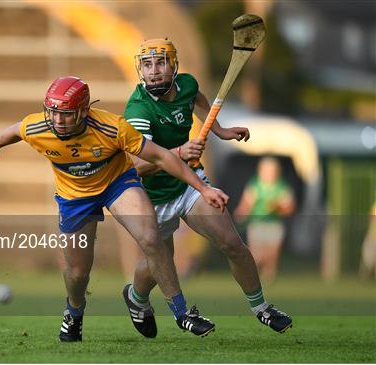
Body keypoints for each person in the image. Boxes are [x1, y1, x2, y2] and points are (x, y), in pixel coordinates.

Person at [0, 76, 229, 342]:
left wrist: (203, 189)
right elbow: (15, 130)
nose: (57, 120)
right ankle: (74, 312)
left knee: (151, 237)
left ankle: (181, 312)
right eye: (52, 113)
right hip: (74, 196)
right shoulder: (38, 127)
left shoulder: (112, 127)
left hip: (117, 183)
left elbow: (161, 156)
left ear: (83, 111)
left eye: (65, 114)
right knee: (77, 273)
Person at [121, 38, 293, 338]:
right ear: (141, 70)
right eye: (147, 65)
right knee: (155, 266)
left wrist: (221, 131)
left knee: (231, 242)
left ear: (173, 65)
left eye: (160, 63)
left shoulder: (186, 84)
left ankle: (262, 308)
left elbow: (198, 100)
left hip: (188, 184)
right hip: (152, 197)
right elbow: (138, 166)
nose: (154, 71)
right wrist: (177, 153)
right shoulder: (138, 109)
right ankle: (136, 298)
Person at [234, 157, 296, 281]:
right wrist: (241, 213)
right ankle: (254, 278)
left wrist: (277, 207)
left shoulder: (281, 186)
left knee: (272, 255)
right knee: (256, 255)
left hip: (274, 224)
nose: (269, 174)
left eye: (272, 171)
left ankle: (268, 279)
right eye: (266, 171)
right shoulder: (255, 184)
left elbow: (290, 208)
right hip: (257, 223)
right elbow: (246, 203)